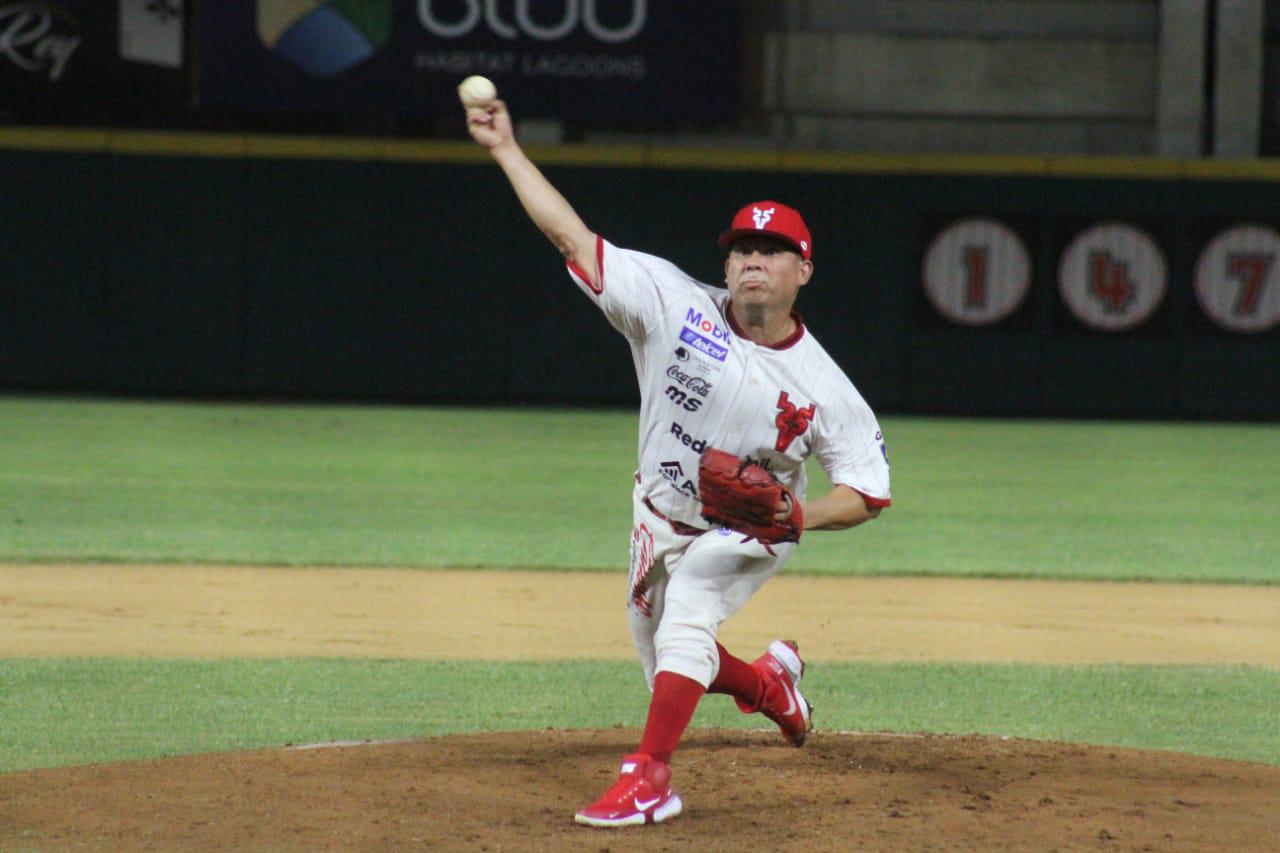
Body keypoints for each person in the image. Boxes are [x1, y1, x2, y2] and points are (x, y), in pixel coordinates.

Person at [465, 95, 891, 829]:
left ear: (803, 270)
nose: (753, 260)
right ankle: (769, 686)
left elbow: (869, 491)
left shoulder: (824, 385)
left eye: (772, 250)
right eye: (742, 249)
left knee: (690, 608)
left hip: (748, 525)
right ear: (726, 264)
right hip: (658, 510)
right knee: (669, 654)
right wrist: (505, 148)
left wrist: (800, 514)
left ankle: (649, 778)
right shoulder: (671, 301)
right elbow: (570, 237)